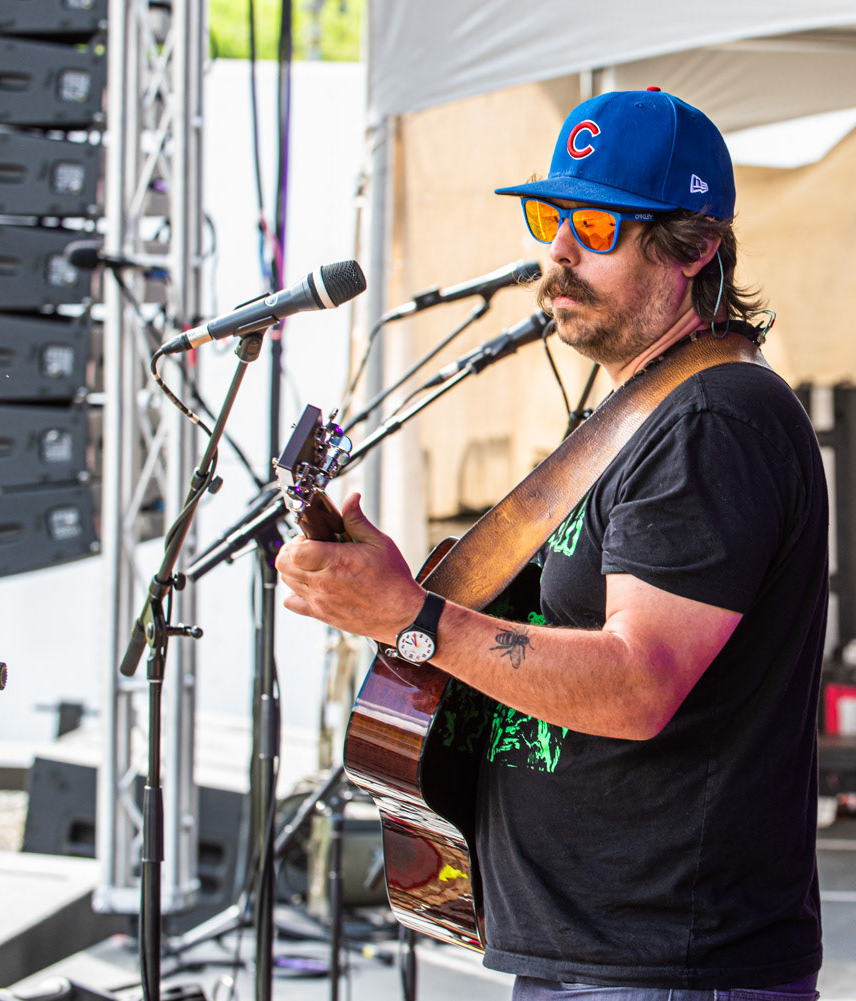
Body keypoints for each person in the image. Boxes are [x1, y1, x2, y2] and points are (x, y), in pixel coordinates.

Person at [276, 89, 827, 999]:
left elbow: (638, 682)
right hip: (596, 953)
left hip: (666, 963)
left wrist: (413, 618)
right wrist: (393, 599)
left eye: (597, 226)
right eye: (550, 218)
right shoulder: (636, 411)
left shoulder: (714, 420)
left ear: (693, 247)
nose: (559, 251)